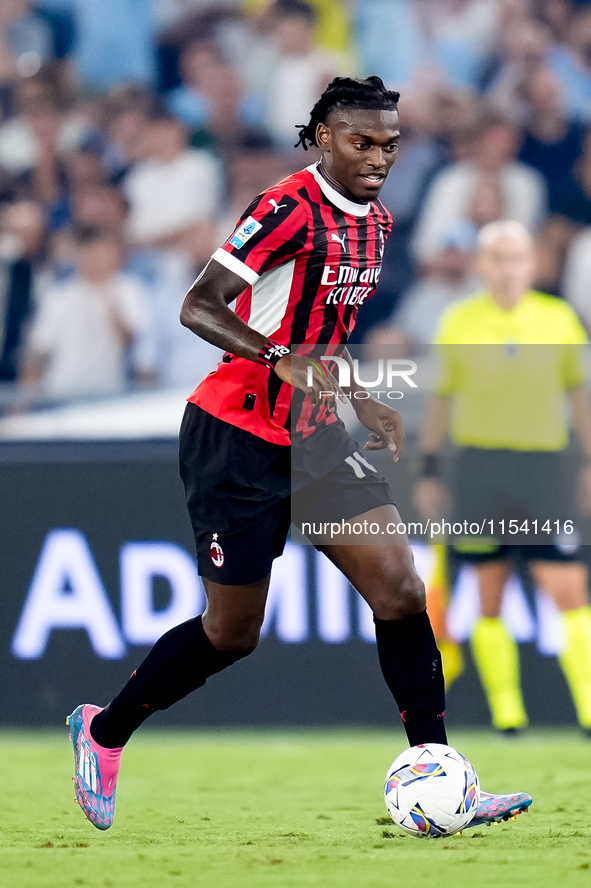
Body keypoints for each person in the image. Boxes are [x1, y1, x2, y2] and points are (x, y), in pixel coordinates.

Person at [66, 76, 531, 831]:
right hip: (236, 435)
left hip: (314, 435)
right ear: (323, 137)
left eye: (389, 143)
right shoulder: (286, 207)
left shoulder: (376, 225)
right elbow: (199, 305)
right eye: (360, 141)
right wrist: (276, 354)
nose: (377, 156)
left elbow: (326, 334)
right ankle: (102, 731)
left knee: (400, 588)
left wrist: (357, 396)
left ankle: (446, 779)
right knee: (231, 634)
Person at [414, 219, 591, 735]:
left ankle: (586, 707)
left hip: (544, 465)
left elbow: (578, 395)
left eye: (517, 257)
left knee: (568, 586)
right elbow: (441, 401)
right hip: (479, 465)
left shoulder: (558, 320)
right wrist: (429, 468)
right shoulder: (460, 322)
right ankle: (507, 712)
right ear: (482, 265)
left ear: (532, 264)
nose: (508, 267)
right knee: (489, 587)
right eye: (498, 257)